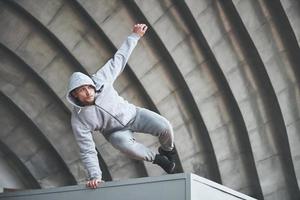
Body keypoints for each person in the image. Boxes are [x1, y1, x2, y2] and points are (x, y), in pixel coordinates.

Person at [66, 24, 176, 189]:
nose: (88, 92)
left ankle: (167, 151)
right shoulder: (79, 119)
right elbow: (87, 149)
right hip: (116, 132)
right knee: (124, 145)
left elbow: (119, 59)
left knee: (165, 126)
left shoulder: (101, 79)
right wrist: (95, 176)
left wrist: (134, 36)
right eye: (82, 91)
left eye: (89, 87)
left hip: (134, 115)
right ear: (74, 94)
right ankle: (158, 159)